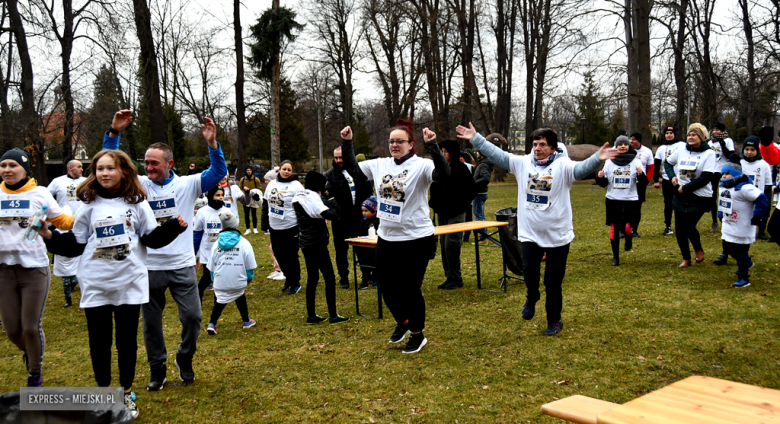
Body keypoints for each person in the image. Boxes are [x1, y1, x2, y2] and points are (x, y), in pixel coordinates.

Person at [41, 149, 187, 418]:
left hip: (129, 282)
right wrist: (49, 235)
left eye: (110, 168)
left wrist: (174, 227)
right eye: (99, 169)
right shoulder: (88, 206)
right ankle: (103, 393)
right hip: (96, 282)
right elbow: (75, 246)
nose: (104, 173)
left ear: (124, 171)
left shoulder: (137, 204)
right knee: (99, 342)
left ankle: (126, 392)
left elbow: (151, 239)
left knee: (126, 341)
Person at [103, 109, 227, 390]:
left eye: (154, 163)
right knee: (151, 325)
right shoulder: (139, 185)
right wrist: (114, 133)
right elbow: (108, 166)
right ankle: (156, 367)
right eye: (145, 163)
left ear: (169, 163)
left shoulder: (188, 184)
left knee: (193, 318)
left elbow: (219, 172)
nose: (148, 168)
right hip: (148, 267)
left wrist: (212, 144)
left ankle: (185, 357)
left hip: (182, 264)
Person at [456, 123, 618, 336]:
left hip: (557, 236)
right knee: (530, 272)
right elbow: (497, 154)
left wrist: (597, 158)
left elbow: (580, 169)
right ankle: (532, 297)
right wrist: (475, 138)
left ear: (553, 148)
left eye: (542, 144)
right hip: (530, 234)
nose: (537, 148)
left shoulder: (563, 166)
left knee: (553, 282)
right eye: (535, 144)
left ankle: (554, 320)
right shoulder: (522, 164)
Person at [339, 119, 451, 354]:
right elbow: (354, 170)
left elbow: (443, 174)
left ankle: (418, 335)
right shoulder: (380, 164)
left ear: (411, 144)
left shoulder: (421, 165)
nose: (395, 145)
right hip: (388, 238)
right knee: (387, 287)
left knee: (410, 289)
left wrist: (433, 145)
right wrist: (347, 143)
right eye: (391, 142)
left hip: (417, 238)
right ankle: (404, 323)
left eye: (400, 141)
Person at [0, 148, 74, 388]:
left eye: (13, 165)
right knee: (12, 330)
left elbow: (61, 220)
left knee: (31, 327)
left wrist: (84, 218)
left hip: (33, 268)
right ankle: (31, 354)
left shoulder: (40, 193)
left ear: (25, 168)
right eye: (3, 165)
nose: (7, 170)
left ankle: (35, 374)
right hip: (3, 270)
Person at [292, 171, 349, 325]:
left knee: (313, 278)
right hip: (316, 243)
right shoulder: (312, 199)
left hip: (305, 241)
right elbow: (333, 215)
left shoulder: (300, 195)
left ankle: (311, 315)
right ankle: (333, 315)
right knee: (329, 278)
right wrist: (330, 198)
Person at [664, 123, 718, 268]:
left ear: (702, 137)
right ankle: (686, 258)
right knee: (680, 229)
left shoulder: (709, 153)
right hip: (680, 195)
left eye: (694, 135)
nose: (690, 137)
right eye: (689, 134)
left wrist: (685, 188)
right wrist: (672, 177)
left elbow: (706, 177)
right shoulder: (681, 150)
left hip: (700, 196)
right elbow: (667, 163)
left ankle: (698, 248)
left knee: (688, 226)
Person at [429, 139, 477, 290]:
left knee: (452, 244)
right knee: (444, 245)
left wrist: (460, 204)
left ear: (453, 153)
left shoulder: (461, 169)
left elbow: (471, 191)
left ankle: (457, 277)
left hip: (456, 212)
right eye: (441, 151)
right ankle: (449, 276)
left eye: (446, 151)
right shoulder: (439, 169)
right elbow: (434, 188)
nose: (443, 154)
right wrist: (435, 203)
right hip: (442, 212)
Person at [715, 155, 769, 287]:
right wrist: (721, 213)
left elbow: (762, 198)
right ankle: (747, 263)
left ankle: (743, 277)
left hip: (743, 226)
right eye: (723, 173)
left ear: (736, 173)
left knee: (741, 251)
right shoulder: (723, 186)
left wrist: (757, 216)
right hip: (728, 225)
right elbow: (723, 201)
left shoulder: (745, 188)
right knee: (727, 248)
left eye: (728, 173)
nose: (725, 176)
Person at [324, 147, 372, 289]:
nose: (338, 160)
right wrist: (336, 210)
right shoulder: (330, 175)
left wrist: (366, 210)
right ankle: (343, 278)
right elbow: (327, 196)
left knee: (362, 248)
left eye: (341, 157)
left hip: (359, 217)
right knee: (341, 250)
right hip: (340, 220)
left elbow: (368, 192)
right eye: (336, 158)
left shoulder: (359, 171)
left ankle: (366, 276)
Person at [595, 136, 647, 266]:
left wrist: (641, 175)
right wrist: (600, 178)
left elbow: (644, 183)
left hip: (630, 200)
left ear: (629, 146)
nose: (622, 146)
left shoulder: (636, 161)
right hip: (613, 199)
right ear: (616, 147)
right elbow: (604, 183)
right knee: (614, 228)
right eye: (620, 145)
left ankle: (628, 238)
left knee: (627, 226)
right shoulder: (609, 162)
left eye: (625, 144)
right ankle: (615, 257)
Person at [206, 211, 257, 335]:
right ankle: (246, 321)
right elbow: (250, 267)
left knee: (222, 298)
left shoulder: (216, 244)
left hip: (220, 282)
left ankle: (213, 323)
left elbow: (211, 267)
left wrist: (214, 280)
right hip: (239, 281)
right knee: (239, 293)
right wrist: (248, 280)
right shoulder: (244, 243)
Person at [261, 160, 304, 294]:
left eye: (289, 170)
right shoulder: (272, 184)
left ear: (292, 172)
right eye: (284, 169)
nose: (286, 172)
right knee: (279, 255)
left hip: (291, 226)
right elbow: (265, 204)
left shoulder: (296, 185)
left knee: (291, 256)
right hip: (275, 226)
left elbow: (303, 205)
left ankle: (295, 283)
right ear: (279, 170)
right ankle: (288, 278)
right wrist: (264, 223)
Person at [47, 159, 86, 307]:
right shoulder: (58, 182)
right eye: (79, 167)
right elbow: (46, 197)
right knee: (65, 254)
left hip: (82, 223)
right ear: (70, 168)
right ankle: (70, 286)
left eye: (82, 167)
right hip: (64, 224)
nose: (82, 169)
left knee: (82, 255)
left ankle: (78, 280)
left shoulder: (86, 181)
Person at [193, 186, 228, 302]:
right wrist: (194, 250)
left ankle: (217, 300)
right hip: (207, 251)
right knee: (208, 277)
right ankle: (198, 294)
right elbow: (197, 233)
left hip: (223, 250)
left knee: (220, 276)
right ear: (210, 196)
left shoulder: (226, 211)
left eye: (222, 195)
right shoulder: (202, 212)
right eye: (217, 195)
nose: (220, 198)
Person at [653, 126, 686, 236]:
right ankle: (668, 226)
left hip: (680, 179)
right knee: (668, 203)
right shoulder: (661, 148)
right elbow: (657, 165)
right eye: (667, 133)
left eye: (671, 132)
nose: (669, 135)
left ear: (674, 134)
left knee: (681, 202)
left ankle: (681, 225)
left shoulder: (682, 145)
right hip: (667, 180)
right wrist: (656, 180)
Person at [708, 122, 736, 232]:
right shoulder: (710, 142)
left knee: (726, 196)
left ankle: (727, 219)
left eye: (717, 130)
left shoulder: (728, 141)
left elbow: (730, 156)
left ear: (722, 131)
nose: (715, 132)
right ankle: (715, 221)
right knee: (712, 196)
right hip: (713, 172)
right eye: (714, 130)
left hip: (724, 172)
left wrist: (722, 143)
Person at [628, 132, 653, 238]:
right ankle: (624, 229)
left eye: (634, 139)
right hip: (626, 183)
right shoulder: (625, 149)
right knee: (625, 207)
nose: (631, 141)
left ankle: (635, 230)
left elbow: (651, 167)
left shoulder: (647, 151)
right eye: (630, 139)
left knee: (636, 208)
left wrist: (646, 181)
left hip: (639, 184)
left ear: (639, 141)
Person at [263, 168, 285, 281]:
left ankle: (283, 270)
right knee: (273, 247)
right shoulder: (270, 188)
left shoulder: (280, 191)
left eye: (268, 180)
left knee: (279, 248)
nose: (266, 182)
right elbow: (266, 206)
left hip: (283, 224)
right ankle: (278, 269)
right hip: (273, 223)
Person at [356, 197, 380, 290]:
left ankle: (375, 278)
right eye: (363, 211)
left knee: (374, 261)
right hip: (362, 246)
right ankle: (365, 278)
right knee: (363, 262)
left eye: (366, 211)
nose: (364, 213)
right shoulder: (360, 221)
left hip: (373, 246)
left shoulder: (377, 221)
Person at [472, 149, 494, 245]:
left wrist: (473, 183)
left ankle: (483, 238)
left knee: (479, 216)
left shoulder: (484, 164)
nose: (476, 153)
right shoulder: (482, 163)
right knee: (480, 215)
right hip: (479, 193)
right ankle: (482, 237)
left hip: (479, 194)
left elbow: (486, 178)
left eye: (477, 152)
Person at [239, 165, 263, 234]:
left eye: (250, 170)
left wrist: (254, 193)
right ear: (245, 171)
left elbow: (259, 188)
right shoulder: (242, 179)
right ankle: (248, 228)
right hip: (246, 198)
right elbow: (240, 188)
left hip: (254, 199)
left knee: (254, 213)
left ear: (252, 171)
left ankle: (255, 228)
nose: (249, 172)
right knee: (246, 214)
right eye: (247, 170)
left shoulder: (256, 179)